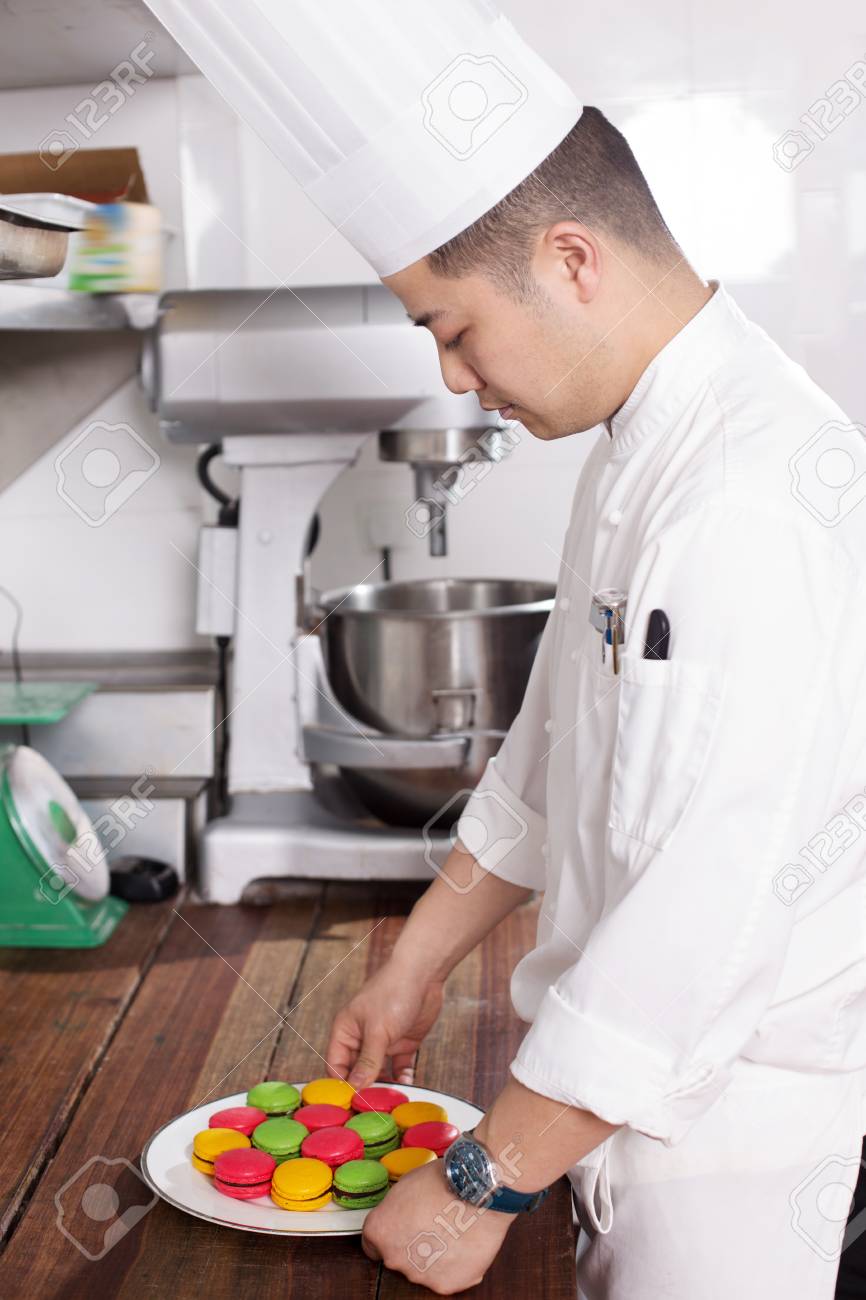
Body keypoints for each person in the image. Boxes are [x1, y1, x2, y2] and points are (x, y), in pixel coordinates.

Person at [324, 106, 866, 1298]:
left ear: (571, 260)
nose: (454, 379)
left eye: (454, 331)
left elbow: (704, 915)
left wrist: (483, 1178)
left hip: (728, 1159)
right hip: (599, 1115)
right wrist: (414, 961)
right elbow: (555, 745)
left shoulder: (745, 501)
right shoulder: (641, 444)